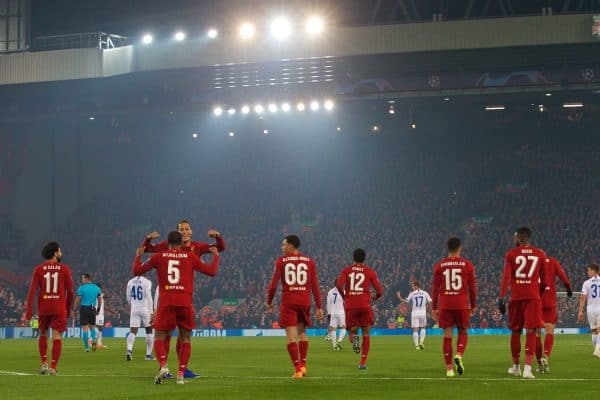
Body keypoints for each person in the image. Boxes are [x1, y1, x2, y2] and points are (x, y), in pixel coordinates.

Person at [132, 231, 220, 385]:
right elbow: (211, 272)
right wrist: (216, 256)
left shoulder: (159, 256)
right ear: (181, 244)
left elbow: (136, 271)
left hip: (166, 302)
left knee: (159, 336)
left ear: (168, 242)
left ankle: (164, 366)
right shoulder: (190, 256)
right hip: (185, 302)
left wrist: (138, 256)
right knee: (185, 338)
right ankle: (181, 374)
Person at [267, 235, 323, 379]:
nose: (282, 247)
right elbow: (315, 285)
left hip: (289, 301)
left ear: (291, 246)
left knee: (292, 337)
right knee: (302, 333)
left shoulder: (281, 261)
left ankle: (298, 369)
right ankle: (303, 365)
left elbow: (273, 285)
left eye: (284, 244)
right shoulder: (309, 261)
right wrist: (319, 306)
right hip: (305, 301)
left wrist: (269, 301)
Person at [498, 227, 548, 379]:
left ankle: (516, 368)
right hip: (533, 298)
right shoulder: (540, 254)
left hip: (516, 298)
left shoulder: (511, 254)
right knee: (532, 331)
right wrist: (536, 295)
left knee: (516, 332)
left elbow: (506, 278)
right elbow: (544, 281)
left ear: (519, 238)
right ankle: (528, 369)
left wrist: (501, 297)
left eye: (515, 236)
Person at [25, 241, 74, 375]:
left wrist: (29, 310)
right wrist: (68, 308)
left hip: (44, 307)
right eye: (60, 251)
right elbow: (70, 291)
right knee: (57, 336)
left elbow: (32, 291)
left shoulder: (39, 269)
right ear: (55, 253)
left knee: (43, 333)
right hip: (59, 307)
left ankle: (44, 364)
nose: (61, 253)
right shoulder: (64, 269)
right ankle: (53, 367)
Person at [431, 237, 477, 377]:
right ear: (460, 248)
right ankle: (458, 354)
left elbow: (435, 288)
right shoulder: (467, 265)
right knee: (463, 331)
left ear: (448, 248)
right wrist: (473, 305)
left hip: (445, 303)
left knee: (447, 335)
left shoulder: (440, 265)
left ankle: (449, 368)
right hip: (461, 303)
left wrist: (434, 307)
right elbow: (472, 288)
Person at [336, 248, 383, 371]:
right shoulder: (370, 272)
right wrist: (374, 298)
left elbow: (338, 285)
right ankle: (362, 362)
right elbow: (380, 291)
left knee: (352, 332)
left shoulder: (346, 271)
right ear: (364, 258)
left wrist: (345, 297)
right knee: (366, 333)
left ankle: (354, 337)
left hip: (351, 306)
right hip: (365, 305)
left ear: (353, 258)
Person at [536, 256, 572, 372]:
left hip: (537, 300)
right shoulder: (552, 261)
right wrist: (568, 289)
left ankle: (539, 365)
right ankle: (545, 356)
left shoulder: (533, 262)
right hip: (550, 301)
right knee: (549, 331)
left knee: (537, 333)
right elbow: (564, 277)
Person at [126, 275, 154, 361]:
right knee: (149, 330)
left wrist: (132, 305)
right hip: (145, 309)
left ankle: (129, 350)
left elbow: (128, 296)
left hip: (134, 309)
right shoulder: (147, 282)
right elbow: (149, 297)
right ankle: (148, 355)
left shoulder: (130, 281)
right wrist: (151, 312)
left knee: (133, 331)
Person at [397, 281, 432, 350]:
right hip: (422, 312)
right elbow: (430, 302)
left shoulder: (412, 294)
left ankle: (417, 346)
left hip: (415, 312)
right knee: (423, 328)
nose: (412, 287)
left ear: (417, 286)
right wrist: (429, 311)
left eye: (413, 286)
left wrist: (399, 297)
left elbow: (406, 302)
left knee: (415, 330)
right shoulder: (425, 293)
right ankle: (421, 342)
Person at [73, 273, 102, 352]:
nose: (82, 280)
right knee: (92, 327)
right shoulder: (96, 288)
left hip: (84, 308)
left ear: (86, 279)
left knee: (85, 328)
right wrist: (98, 309)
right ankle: (94, 346)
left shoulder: (81, 288)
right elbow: (100, 300)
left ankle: (86, 347)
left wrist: (74, 310)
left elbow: (77, 299)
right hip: (92, 308)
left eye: (82, 278)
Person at [577, 263, 600, 357]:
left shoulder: (586, 283)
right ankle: (597, 350)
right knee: (598, 331)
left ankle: (596, 350)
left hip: (590, 309)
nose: (587, 272)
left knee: (594, 331)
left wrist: (580, 311)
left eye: (589, 270)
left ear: (594, 271)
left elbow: (583, 298)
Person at [326, 285, 346, 350]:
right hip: (341, 312)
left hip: (333, 312)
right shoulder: (343, 291)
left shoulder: (330, 292)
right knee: (344, 327)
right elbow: (346, 302)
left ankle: (334, 346)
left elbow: (328, 304)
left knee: (333, 329)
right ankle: (339, 341)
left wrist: (329, 313)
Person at [94, 284, 107, 349]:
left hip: (99, 312)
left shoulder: (98, 294)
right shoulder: (98, 293)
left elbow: (102, 304)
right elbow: (106, 296)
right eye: (102, 287)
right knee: (99, 328)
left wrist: (110, 310)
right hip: (98, 313)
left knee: (98, 327)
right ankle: (98, 343)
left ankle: (98, 343)